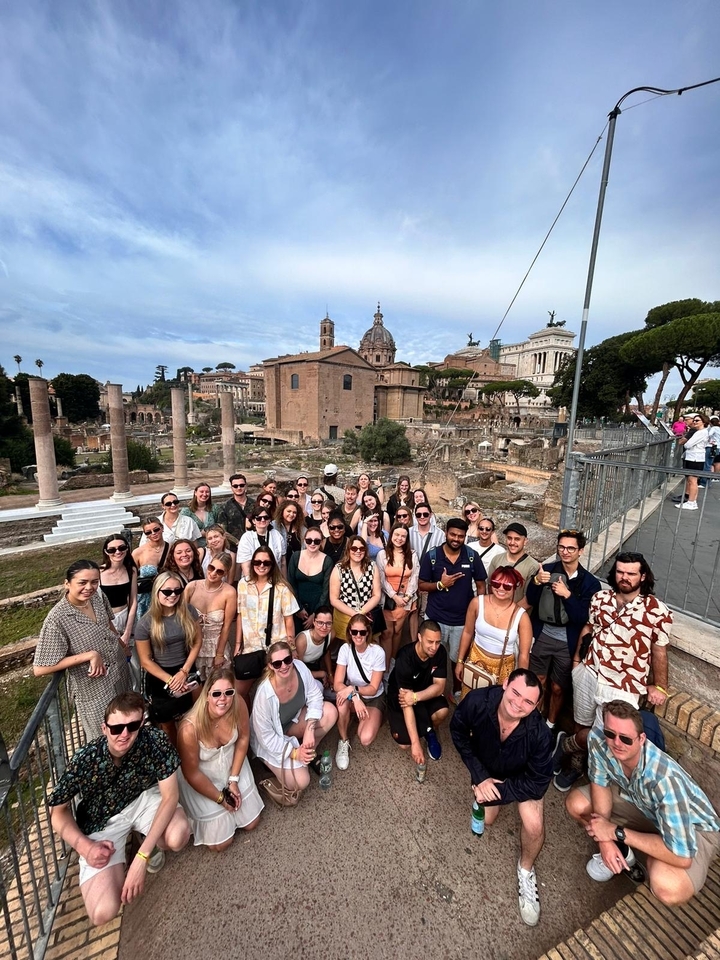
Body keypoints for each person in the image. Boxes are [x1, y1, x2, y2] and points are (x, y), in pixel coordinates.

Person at [48, 692, 190, 926]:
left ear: (141, 723)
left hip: (143, 799)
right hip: (103, 820)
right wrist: (85, 847)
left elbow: (170, 796)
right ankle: (122, 857)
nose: (124, 734)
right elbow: (57, 811)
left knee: (177, 836)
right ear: (104, 728)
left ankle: (148, 843)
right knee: (101, 912)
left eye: (132, 726)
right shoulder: (86, 758)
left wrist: (141, 857)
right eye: (116, 728)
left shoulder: (153, 739)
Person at [566, 701, 720, 904]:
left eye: (625, 738)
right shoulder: (598, 738)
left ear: (641, 739)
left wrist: (614, 832)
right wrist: (605, 840)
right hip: (642, 804)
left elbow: (682, 856)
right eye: (610, 734)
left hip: (693, 828)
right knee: (576, 804)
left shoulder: (664, 779)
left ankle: (646, 849)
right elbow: (600, 784)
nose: (616, 743)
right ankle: (622, 854)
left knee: (667, 887)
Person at [553, 552, 672, 792]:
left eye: (631, 573)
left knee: (603, 734)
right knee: (581, 721)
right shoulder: (600, 598)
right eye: (620, 572)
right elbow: (589, 628)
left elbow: (659, 650)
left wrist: (660, 685)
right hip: (589, 671)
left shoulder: (656, 610)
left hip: (623, 684)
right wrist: (577, 662)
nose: (624, 577)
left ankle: (566, 745)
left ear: (643, 576)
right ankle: (576, 763)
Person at [450, 670, 553, 926]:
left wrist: (499, 792)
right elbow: (458, 731)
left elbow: (538, 783)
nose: (518, 704)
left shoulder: (540, 734)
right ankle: (482, 793)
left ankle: (526, 870)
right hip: (488, 770)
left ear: (536, 706)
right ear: (505, 684)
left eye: (528, 701)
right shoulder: (477, 701)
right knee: (486, 819)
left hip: (523, 778)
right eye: (515, 693)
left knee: (534, 825)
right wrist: (480, 776)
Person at [34, 560, 131, 740]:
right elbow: (40, 668)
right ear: (67, 583)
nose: (89, 587)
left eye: (94, 582)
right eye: (82, 582)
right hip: (95, 690)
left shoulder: (97, 597)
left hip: (119, 672)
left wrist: (122, 645)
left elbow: (108, 623)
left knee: (127, 723)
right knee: (104, 737)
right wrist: (90, 655)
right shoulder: (57, 619)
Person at [177, 667, 263, 850]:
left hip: (231, 763)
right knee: (221, 844)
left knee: (252, 823)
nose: (223, 699)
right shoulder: (189, 728)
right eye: (216, 693)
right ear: (207, 695)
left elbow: (243, 738)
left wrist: (234, 780)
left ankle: (232, 800)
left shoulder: (238, 703)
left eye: (228, 692)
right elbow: (192, 773)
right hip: (203, 775)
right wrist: (221, 799)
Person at [526, 529, 601, 729]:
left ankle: (550, 725)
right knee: (537, 680)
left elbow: (582, 618)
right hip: (542, 634)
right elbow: (531, 599)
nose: (565, 552)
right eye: (561, 547)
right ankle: (532, 721)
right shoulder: (546, 570)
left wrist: (567, 595)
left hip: (568, 641)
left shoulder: (590, 583)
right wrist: (536, 582)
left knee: (558, 687)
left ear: (580, 551)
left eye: (570, 548)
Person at [250, 641, 338, 797]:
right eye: (277, 663)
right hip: (271, 739)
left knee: (330, 712)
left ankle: (308, 753)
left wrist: (310, 729)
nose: (284, 666)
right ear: (270, 666)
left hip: (293, 722)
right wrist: (294, 753)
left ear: (292, 658)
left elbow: (315, 696)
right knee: (302, 782)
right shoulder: (264, 694)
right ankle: (271, 765)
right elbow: (266, 738)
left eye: (287, 660)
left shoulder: (300, 668)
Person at [418, 517, 487, 701]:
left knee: (458, 658)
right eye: (453, 534)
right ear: (446, 533)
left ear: (465, 537)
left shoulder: (471, 556)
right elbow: (421, 585)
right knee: (430, 655)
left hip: (462, 621)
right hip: (436, 618)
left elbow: (481, 585)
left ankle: (456, 690)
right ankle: (429, 690)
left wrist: (479, 613)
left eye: (460, 536)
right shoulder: (432, 556)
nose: (456, 539)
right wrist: (440, 584)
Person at [134, 572, 202, 745]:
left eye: (177, 591)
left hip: (187, 669)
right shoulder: (145, 623)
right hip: (161, 676)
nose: (173, 595)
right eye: (167, 591)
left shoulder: (189, 610)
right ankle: (175, 753)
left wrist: (184, 671)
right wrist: (171, 680)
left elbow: (197, 641)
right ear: (157, 592)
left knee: (194, 716)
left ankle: (191, 750)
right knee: (168, 724)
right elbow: (145, 660)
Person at [233, 547, 298, 707]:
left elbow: (289, 620)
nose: (261, 565)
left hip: (275, 648)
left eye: (266, 562)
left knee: (276, 693)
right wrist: (238, 644)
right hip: (251, 647)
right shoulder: (243, 584)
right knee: (239, 692)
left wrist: (292, 647)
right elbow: (240, 614)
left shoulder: (281, 588)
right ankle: (249, 720)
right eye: (257, 562)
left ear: (272, 564)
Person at [387, 619, 449, 783]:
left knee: (442, 711)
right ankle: (421, 729)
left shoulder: (440, 652)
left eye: (437, 642)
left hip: (421, 693)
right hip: (400, 697)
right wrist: (415, 743)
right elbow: (405, 702)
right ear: (419, 637)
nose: (434, 647)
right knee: (405, 744)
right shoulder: (405, 658)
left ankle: (430, 732)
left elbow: (439, 687)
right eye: (430, 642)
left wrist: (415, 697)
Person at [455, 566, 532, 695]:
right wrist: (460, 661)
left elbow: (524, 655)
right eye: (496, 584)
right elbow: (467, 632)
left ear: (515, 587)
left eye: (507, 586)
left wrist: (520, 682)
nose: (501, 589)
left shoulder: (521, 616)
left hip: (503, 669)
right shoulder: (477, 603)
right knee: (470, 700)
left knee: (495, 703)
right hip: (475, 661)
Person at [333, 613, 386, 770]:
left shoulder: (377, 652)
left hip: (373, 696)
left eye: (362, 632)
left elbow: (373, 688)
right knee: (341, 703)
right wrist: (355, 696)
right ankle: (343, 740)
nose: (358, 635)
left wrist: (354, 689)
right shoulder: (345, 649)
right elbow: (337, 684)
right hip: (353, 694)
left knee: (365, 738)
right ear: (349, 632)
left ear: (368, 632)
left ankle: (367, 716)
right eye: (354, 631)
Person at [184, 553, 237, 678]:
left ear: (225, 573)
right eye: (211, 568)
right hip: (192, 647)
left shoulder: (229, 592)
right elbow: (181, 619)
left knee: (217, 685)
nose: (213, 573)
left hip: (216, 646)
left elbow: (226, 626)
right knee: (194, 685)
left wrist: (219, 654)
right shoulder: (192, 587)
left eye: (219, 571)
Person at [376, 523, 419, 675]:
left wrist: (407, 596)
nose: (399, 538)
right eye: (397, 535)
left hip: (405, 599)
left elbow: (415, 576)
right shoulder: (383, 555)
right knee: (387, 633)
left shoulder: (412, 555)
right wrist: (394, 596)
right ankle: (384, 666)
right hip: (388, 599)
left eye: (403, 536)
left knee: (397, 632)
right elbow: (381, 578)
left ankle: (392, 663)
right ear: (391, 535)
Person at [329, 536, 382, 642]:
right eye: (354, 548)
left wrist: (362, 612)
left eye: (362, 548)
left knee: (368, 644)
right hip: (345, 617)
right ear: (348, 550)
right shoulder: (339, 568)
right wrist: (355, 614)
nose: (358, 551)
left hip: (367, 615)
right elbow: (334, 599)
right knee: (346, 646)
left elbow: (376, 595)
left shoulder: (372, 566)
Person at [99, 534, 138, 670]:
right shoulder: (99, 572)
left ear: (127, 549)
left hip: (126, 616)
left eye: (121, 548)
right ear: (106, 551)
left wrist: (127, 631)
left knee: (134, 662)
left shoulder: (131, 570)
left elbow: (133, 600)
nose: (117, 552)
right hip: (106, 620)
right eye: (112, 550)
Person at [408, 503, 445, 640]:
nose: (422, 517)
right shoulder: (409, 532)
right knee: (413, 611)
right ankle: (414, 641)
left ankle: (426, 639)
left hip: (429, 580)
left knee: (426, 611)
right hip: (412, 578)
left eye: (425, 514)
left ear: (431, 515)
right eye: (419, 514)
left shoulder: (440, 534)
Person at [287, 529, 334, 634]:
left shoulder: (327, 561)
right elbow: (290, 584)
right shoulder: (296, 557)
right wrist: (298, 609)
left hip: (318, 608)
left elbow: (326, 591)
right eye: (309, 540)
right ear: (304, 540)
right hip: (296, 606)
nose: (312, 544)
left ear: (321, 542)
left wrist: (315, 614)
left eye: (316, 541)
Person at [486, 523, 540, 606]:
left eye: (517, 539)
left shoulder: (532, 566)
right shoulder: (496, 559)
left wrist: (511, 612)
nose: (512, 542)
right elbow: (490, 586)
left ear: (525, 541)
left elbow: (528, 598)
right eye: (509, 538)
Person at [132, 517, 170, 619]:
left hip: (167, 596)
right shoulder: (138, 553)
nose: (153, 533)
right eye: (148, 532)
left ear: (162, 528)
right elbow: (130, 578)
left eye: (156, 529)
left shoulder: (172, 549)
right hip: (145, 599)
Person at [236, 503, 285, 578]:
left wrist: (284, 581)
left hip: (275, 578)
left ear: (269, 520)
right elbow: (246, 566)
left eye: (266, 517)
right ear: (253, 521)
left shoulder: (277, 535)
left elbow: (283, 562)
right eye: (259, 518)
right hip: (253, 578)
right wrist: (252, 582)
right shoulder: (246, 538)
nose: (263, 520)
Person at [295, 606, 335, 691]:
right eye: (320, 623)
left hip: (315, 667)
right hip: (300, 672)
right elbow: (297, 671)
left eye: (328, 623)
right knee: (319, 688)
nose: (324, 627)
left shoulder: (331, 634)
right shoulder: (303, 640)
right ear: (314, 622)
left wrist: (330, 674)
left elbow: (326, 651)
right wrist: (320, 674)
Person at [676, 413, 710, 510]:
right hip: (695, 457)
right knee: (693, 481)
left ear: (703, 422)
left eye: (697, 420)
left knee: (692, 481)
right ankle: (692, 501)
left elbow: (688, 444)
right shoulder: (702, 432)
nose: (694, 422)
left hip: (694, 458)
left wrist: (687, 442)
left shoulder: (700, 433)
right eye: (694, 420)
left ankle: (691, 502)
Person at [181, 482, 219, 547]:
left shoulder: (214, 508)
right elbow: (183, 533)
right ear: (195, 493)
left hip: (214, 545)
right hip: (194, 546)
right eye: (201, 491)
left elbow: (219, 526)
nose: (204, 494)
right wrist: (200, 534)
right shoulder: (186, 511)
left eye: (207, 492)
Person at [217, 474, 252, 541]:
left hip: (253, 542)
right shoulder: (224, 507)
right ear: (231, 488)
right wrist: (237, 542)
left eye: (241, 485)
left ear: (246, 486)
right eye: (235, 486)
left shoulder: (255, 504)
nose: (239, 488)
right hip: (233, 544)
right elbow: (222, 530)